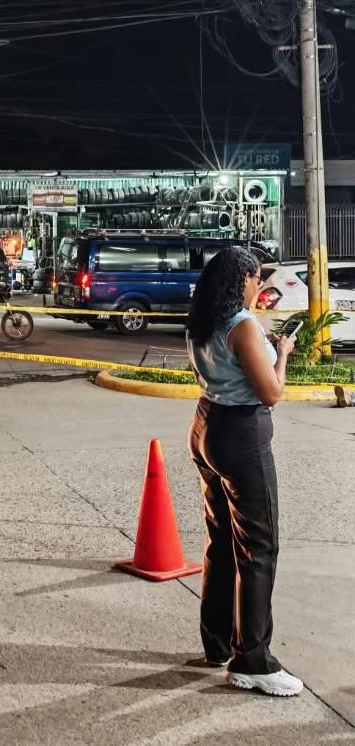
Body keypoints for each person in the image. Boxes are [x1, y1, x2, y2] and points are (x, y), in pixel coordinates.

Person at [185, 246, 302, 697]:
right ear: (242, 281)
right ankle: (253, 659)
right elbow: (271, 392)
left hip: (205, 425)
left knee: (221, 540)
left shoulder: (202, 319)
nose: (258, 286)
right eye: (255, 278)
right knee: (258, 547)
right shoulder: (243, 325)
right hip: (240, 436)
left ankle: (217, 645)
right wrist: (283, 353)